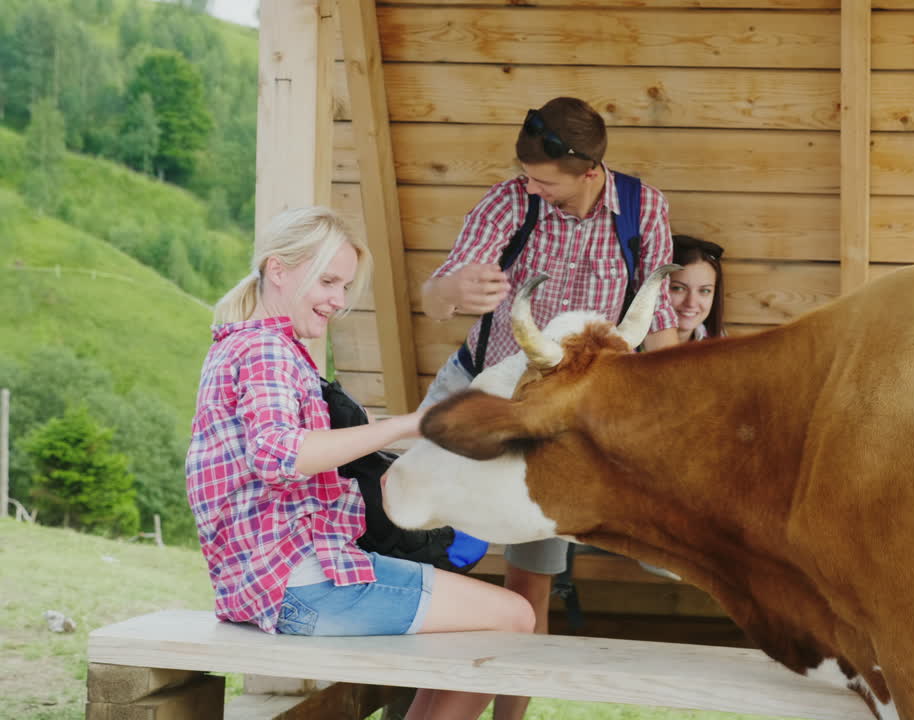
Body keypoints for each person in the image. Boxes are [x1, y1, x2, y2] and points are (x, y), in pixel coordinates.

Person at [186, 206, 535, 720]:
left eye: (345, 286)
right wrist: (407, 424)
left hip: (260, 586)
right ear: (278, 270)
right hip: (300, 585)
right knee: (514, 616)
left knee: (472, 624)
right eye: (327, 281)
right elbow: (279, 455)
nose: (339, 300)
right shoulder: (266, 350)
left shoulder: (241, 342)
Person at [418, 97, 680, 720]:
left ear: (590, 171)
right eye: (527, 175)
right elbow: (433, 297)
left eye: (545, 181)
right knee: (409, 533)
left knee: (530, 578)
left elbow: (659, 317)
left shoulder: (644, 208)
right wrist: (453, 290)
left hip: (558, 422)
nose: (531, 187)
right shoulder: (509, 203)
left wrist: (672, 413)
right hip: (478, 393)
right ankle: (402, 684)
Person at [668, 234, 726, 343]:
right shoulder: (634, 345)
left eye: (705, 291)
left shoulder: (719, 342)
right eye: (678, 288)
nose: (691, 303)